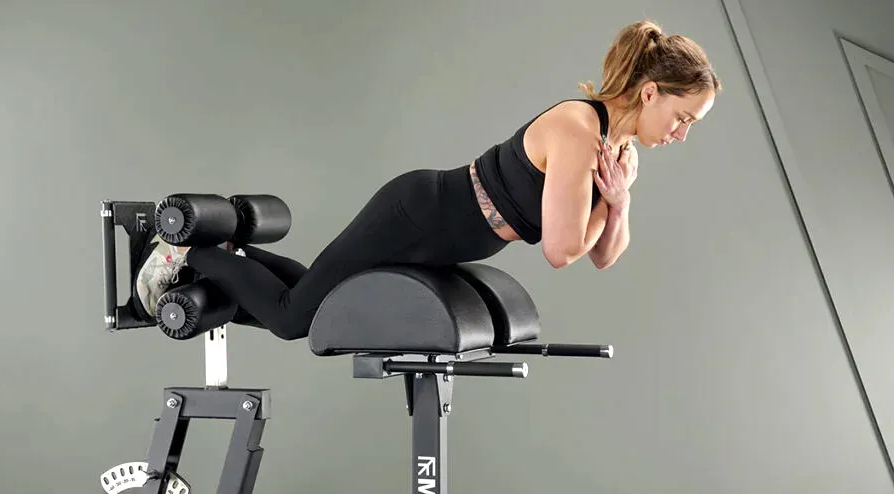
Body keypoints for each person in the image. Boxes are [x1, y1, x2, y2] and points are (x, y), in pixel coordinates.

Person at [135, 19, 720, 341]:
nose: (682, 133)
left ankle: (231, 255)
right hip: (419, 213)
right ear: (651, 93)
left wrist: (619, 203)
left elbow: (604, 257)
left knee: (318, 295)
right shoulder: (578, 129)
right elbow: (563, 251)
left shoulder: (621, 152)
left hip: (440, 237)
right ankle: (193, 250)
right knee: (293, 319)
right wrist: (611, 201)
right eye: (683, 117)